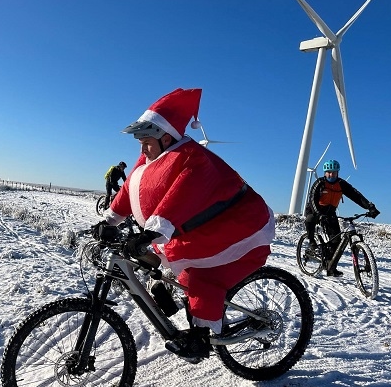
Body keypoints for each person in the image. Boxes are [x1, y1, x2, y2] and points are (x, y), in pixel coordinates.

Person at [92, 88, 275, 363]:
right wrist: (109, 220)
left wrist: (153, 230)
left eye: (147, 142)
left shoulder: (193, 157)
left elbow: (181, 197)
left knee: (203, 279)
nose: (141, 149)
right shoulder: (149, 161)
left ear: (166, 138)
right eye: (139, 142)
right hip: (199, 232)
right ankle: (179, 304)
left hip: (237, 227)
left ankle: (203, 340)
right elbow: (129, 191)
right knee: (167, 269)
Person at [304, 159, 380, 277]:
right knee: (310, 219)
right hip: (315, 210)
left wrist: (370, 207)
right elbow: (312, 198)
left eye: (334, 172)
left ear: (337, 173)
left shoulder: (341, 184)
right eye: (329, 172)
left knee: (336, 241)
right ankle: (312, 242)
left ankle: (331, 266)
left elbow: (356, 195)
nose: (331, 174)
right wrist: (318, 213)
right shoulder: (319, 183)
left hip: (330, 213)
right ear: (325, 173)